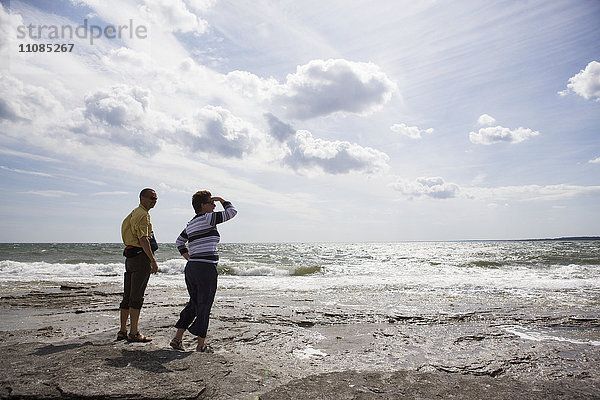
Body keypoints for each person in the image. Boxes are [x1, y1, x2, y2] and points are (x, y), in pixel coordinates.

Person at [170, 190, 237, 352]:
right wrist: (222, 199)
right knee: (204, 305)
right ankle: (201, 345)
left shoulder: (191, 223)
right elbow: (232, 212)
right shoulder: (208, 218)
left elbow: (180, 242)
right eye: (211, 203)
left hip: (192, 268)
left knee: (194, 303)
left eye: (215, 203)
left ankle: (178, 339)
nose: (214, 206)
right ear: (203, 206)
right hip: (205, 268)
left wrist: (190, 258)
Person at [118, 188, 159, 343]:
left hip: (130, 256)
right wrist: (153, 260)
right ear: (142, 198)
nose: (154, 201)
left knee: (128, 294)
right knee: (136, 295)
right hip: (140, 257)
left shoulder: (134, 213)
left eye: (155, 199)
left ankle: (123, 330)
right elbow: (143, 239)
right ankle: (134, 332)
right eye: (151, 198)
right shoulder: (143, 215)